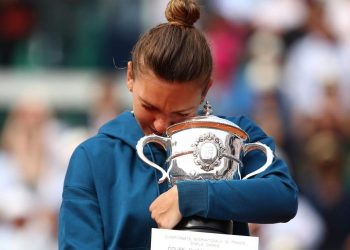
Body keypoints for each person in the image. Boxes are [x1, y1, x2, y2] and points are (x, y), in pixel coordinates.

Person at [58, 0, 298, 249]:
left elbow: (283, 196)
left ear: (205, 90)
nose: (161, 125)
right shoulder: (94, 157)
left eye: (180, 114)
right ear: (130, 76)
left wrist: (193, 196)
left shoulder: (235, 135)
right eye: (149, 107)